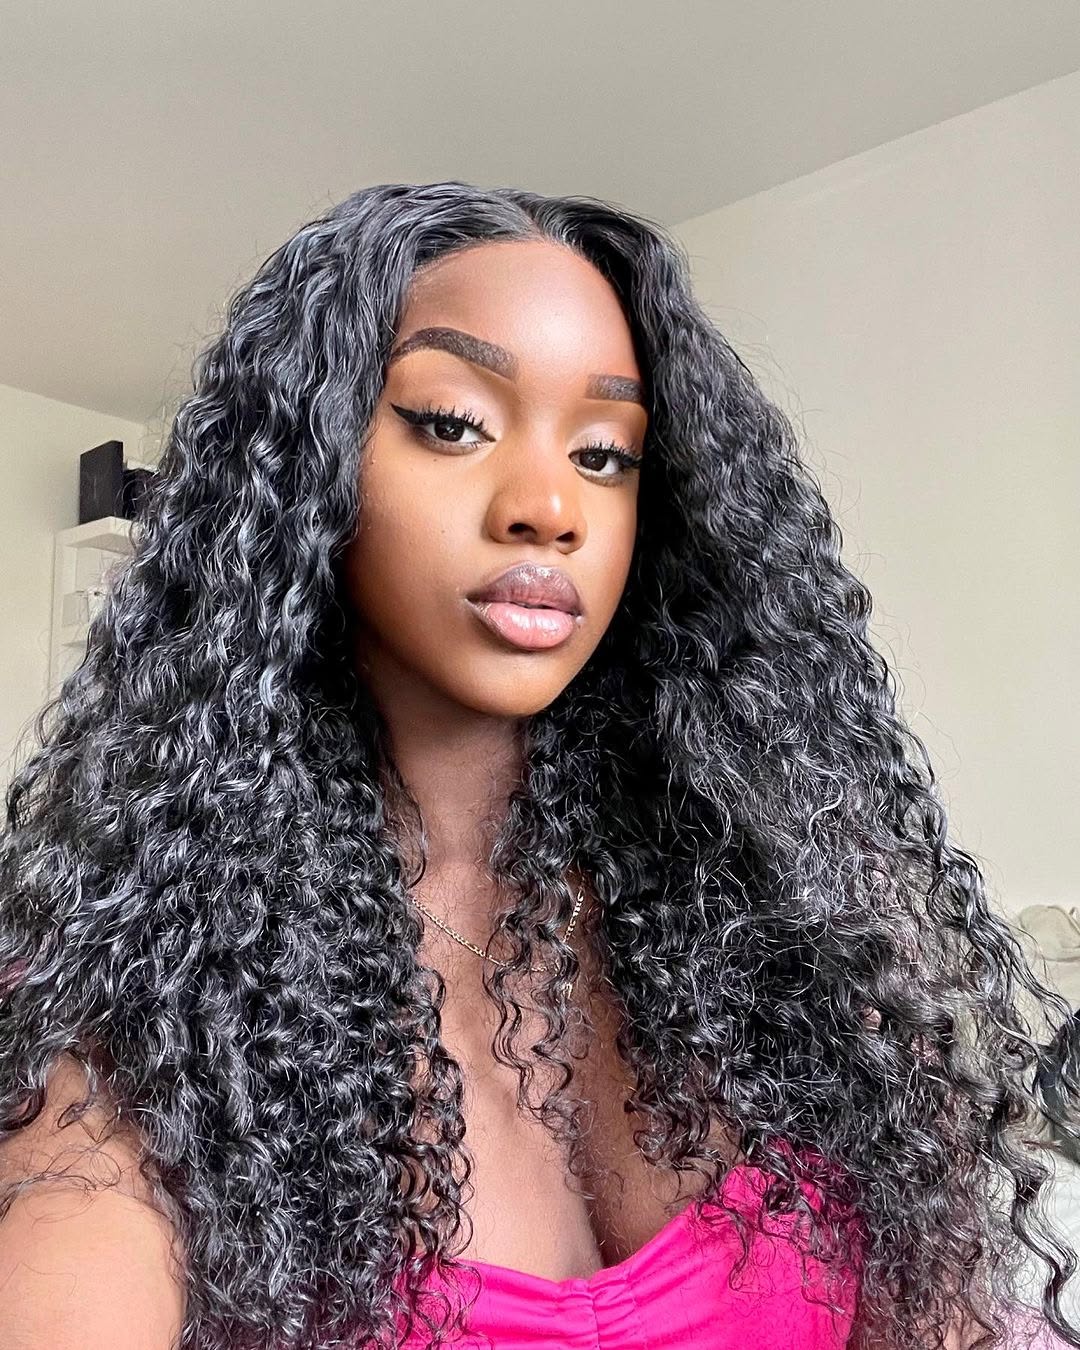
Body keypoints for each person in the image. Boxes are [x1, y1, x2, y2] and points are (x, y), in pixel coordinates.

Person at [0, 181, 1076, 1350]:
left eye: (606, 454)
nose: (550, 507)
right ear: (309, 478)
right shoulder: (143, 1014)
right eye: (452, 423)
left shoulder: (795, 933)